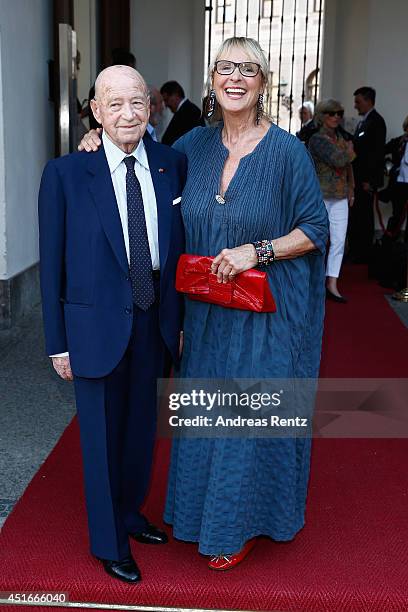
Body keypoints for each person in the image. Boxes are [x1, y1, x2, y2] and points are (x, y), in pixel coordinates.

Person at [79, 37, 328, 571]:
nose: (235, 78)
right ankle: (199, 514)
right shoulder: (191, 145)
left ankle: (237, 525)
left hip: (267, 313)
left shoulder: (287, 152)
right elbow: (135, 162)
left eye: (248, 69)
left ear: (263, 83)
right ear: (212, 81)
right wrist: (93, 140)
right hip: (204, 314)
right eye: (224, 68)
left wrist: (256, 250)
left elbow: (315, 229)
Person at [39, 65, 186, 583]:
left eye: (137, 102)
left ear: (151, 107)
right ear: (96, 113)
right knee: (100, 438)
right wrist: (57, 343)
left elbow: (180, 245)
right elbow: (51, 262)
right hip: (93, 327)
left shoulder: (173, 164)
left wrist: (180, 319)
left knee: (141, 431)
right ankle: (108, 541)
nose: (128, 113)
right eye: (114, 104)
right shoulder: (64, 174)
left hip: (154, 320)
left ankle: (129, 513)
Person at [309, 99, 356, 303]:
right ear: (322, 115)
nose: (336, 116)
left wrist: (351, 190)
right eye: (331, 113)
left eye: (339, 112)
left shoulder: (341, 138)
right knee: (317, 240)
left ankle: (332, 284)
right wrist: (350, 151)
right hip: (320, 195)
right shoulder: (317, 140)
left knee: (338, 241)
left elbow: (348, 167)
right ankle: (314, 282)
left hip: (340, 196)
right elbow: (339, 159)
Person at [348, 86, 386, 263]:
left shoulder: (376, 122)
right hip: (358, 179)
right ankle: (357, 250)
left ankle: (363, 253)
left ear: (368, 101)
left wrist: (370, 181)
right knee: (357, 216)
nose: (355, 106)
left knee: (364, 217)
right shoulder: (364, 121)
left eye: (358, 102)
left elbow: (376, 154)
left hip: (365, 180)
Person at [160, 80, 205, 145]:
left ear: (176, 95)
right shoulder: (187, 110)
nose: (166, 105)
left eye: (166, 100)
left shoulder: (191, 112)